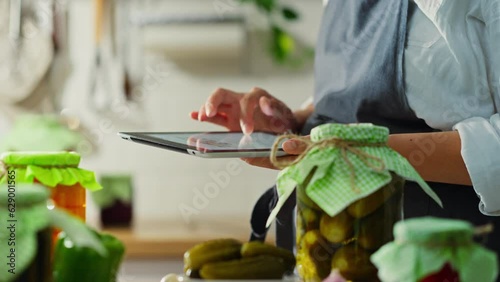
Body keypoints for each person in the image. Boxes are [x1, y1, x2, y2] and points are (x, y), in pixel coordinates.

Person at [191, 0, 500, 256]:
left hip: (433, 256)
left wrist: (344, 151)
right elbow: (352, 99)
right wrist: (291, 122)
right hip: (321, 249)